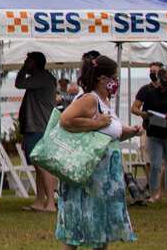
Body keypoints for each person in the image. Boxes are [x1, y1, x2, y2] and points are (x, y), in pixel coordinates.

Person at [56, 55, 140, 247]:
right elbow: (66, 120)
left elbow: (110, 133)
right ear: (103, 79)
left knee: (101, 226)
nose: (116, 82)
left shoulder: (105, 101)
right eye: (114, 77)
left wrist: (131, 131)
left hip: (104, 179)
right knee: (75, 223)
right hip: (89, 175)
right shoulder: (89, 99)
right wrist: (96, 123)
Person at [131, 63, 167, 203]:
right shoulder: (149, 93)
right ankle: (154, 194)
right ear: (159, 78)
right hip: (155, 133)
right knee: (155, 165)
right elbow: (144, 111)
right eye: (165, 77)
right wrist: (146, 115)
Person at [16, 51, 59, 212]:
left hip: (40, 127)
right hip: (37, 126)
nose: (26, 62)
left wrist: (23, 68)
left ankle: (50, 202)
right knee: (38, 165)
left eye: (28, 60)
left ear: (35, 63)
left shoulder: (42, 77)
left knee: (42, 164)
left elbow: (19, 83)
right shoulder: (42, 78)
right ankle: (40, 201)